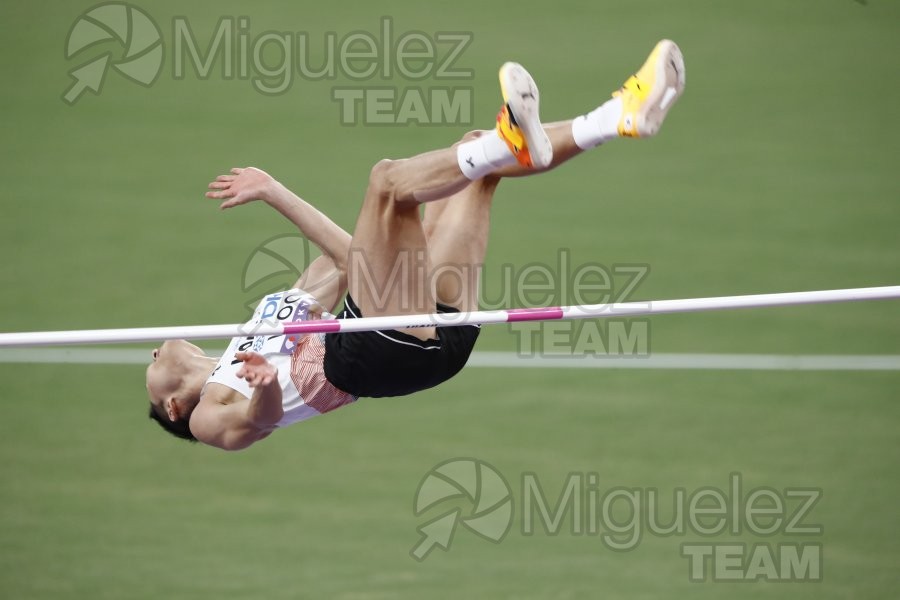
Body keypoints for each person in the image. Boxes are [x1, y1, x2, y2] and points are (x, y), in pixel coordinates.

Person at [146, 40, 686, 450]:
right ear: (171, 406)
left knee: (478, 158)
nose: (151, 353)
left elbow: (348, 257)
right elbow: (254, 424)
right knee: (387, 182)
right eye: (148, 373)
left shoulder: (261, 324)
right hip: (369, 357)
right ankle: (514, 137)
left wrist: (272, 190)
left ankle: (619, 118)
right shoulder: (203, 415)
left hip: (425, 338)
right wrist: (263, 385)